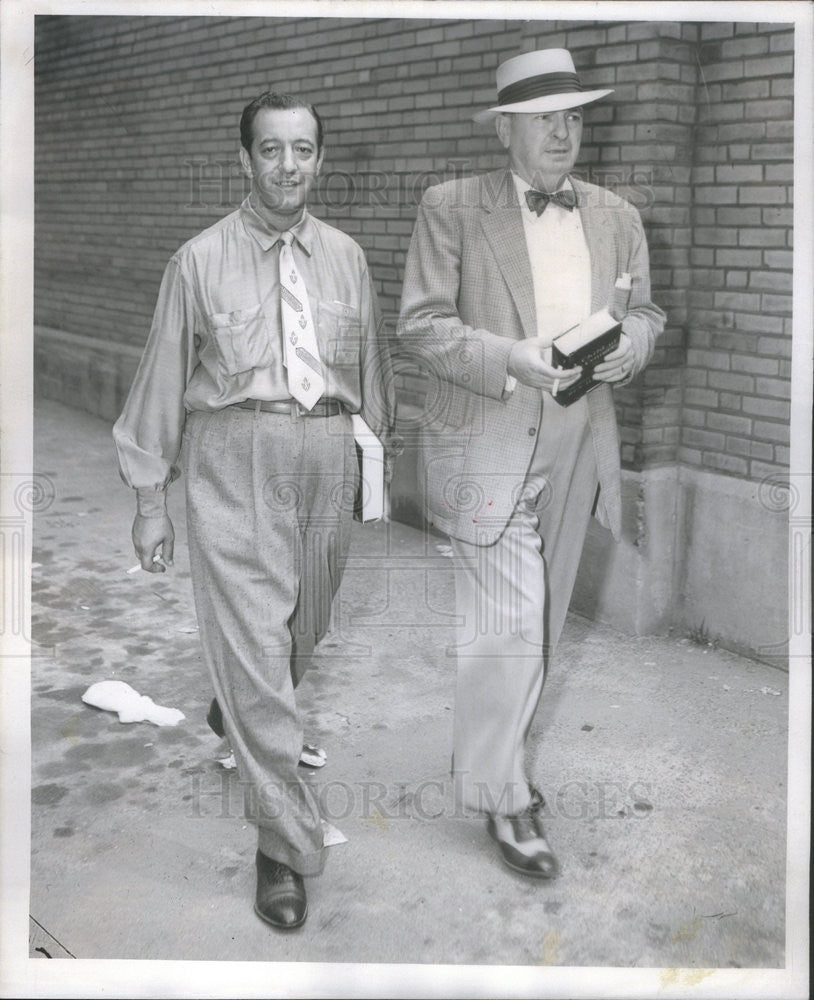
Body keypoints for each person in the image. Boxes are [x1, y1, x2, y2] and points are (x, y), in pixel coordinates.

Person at [113, 91, 395, 928]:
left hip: (324, 454)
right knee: (262, 648)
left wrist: (375, 459)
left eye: (302, 150)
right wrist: (148, 499)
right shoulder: (198, 261)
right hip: (232, 455)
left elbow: (372, 368)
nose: (287, 166)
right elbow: (162, 379)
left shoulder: (345, 257)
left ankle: (234, 698)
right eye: (270, 150)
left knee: (301, 624)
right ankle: (283, 848)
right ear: (245, 160)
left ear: (320, 158)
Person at [397, 48, 665, 878]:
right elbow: (422, 326)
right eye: (547, 117)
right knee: (507, 627)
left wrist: (635, 351)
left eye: (576, 115)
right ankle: (504, 802)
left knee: (539, 627)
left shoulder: (617, 215)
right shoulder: (452, 207)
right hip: (488, 441)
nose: (565, 132)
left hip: (579, 443)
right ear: (506, 128)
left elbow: (646, 309)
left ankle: (498, 759)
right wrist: (511, 357)